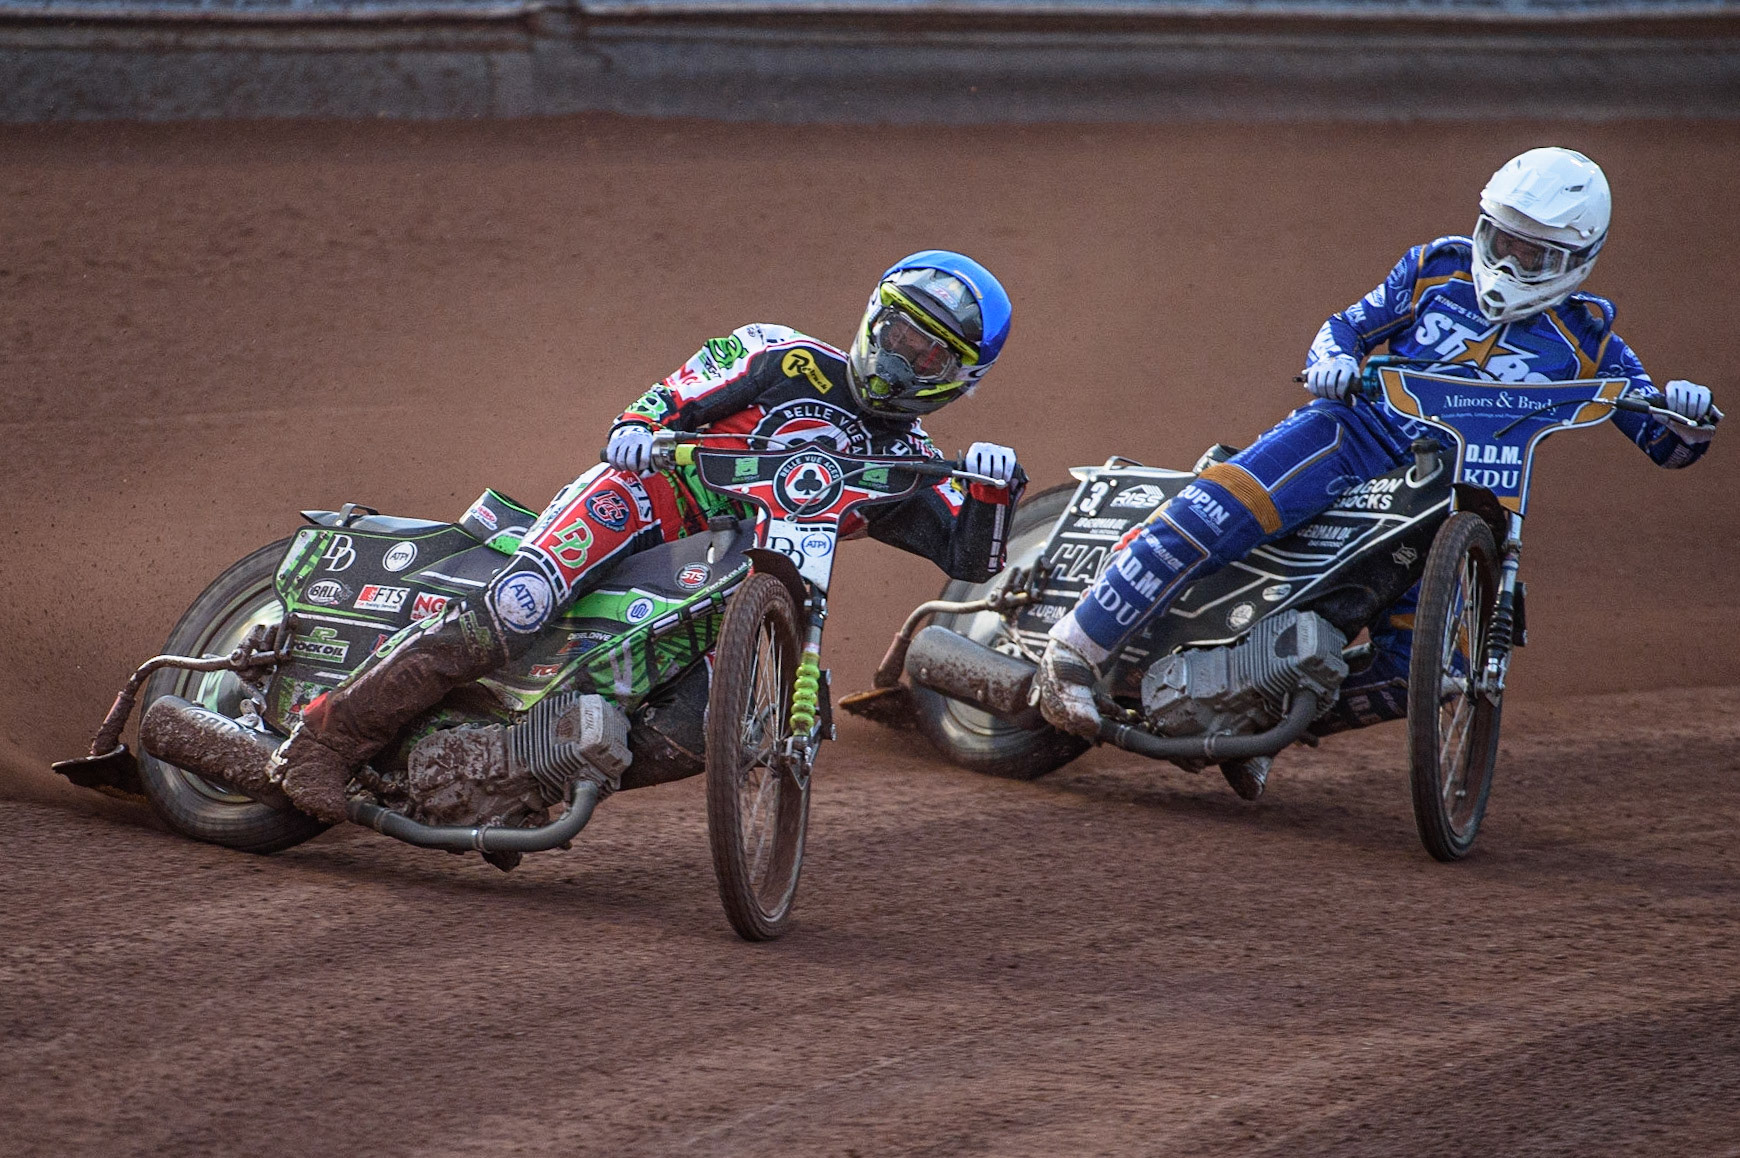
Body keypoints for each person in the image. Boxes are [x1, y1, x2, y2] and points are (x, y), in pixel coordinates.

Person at [1032, 147, 1720, 799]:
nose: (1508, 261)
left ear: (1577, 259)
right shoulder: (1435, 268)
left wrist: (1688, 414)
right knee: (1217, 510)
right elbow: (1346, 327)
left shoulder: (1592, 340)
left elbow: (1667, 444)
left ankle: (1257, 721)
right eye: (1500, 239)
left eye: (1533, 252)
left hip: (1462, 493)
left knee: (1423, 671)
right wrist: (1332, 361)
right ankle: (1073, 651)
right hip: (1357, 434)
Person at [272, 251, 1026, 822]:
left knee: (709, 724)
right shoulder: (783, 355)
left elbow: (972, 557)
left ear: (960, 377)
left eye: (928, 353)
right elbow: (673, 395)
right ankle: (324, 742)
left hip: (731, 577)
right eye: (897, 332)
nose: (901, 358)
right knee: (520, 604)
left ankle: (515, 779)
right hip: (640, 500)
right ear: (872, 317)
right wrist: (638, 426)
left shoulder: (912, 465)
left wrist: (995, 488)